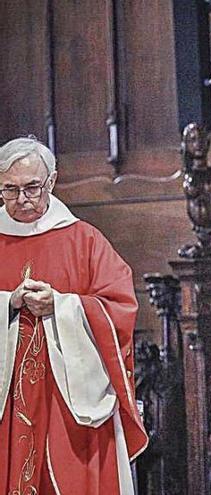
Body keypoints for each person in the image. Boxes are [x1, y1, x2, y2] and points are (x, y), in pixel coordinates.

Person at [0, 137, 147, 494]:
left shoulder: (84, 240)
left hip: (64, 402)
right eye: (9, 189)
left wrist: (63, 307)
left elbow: (120, 307)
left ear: (51, 182)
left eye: (32, 187)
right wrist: (8, 303)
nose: (22, 199)